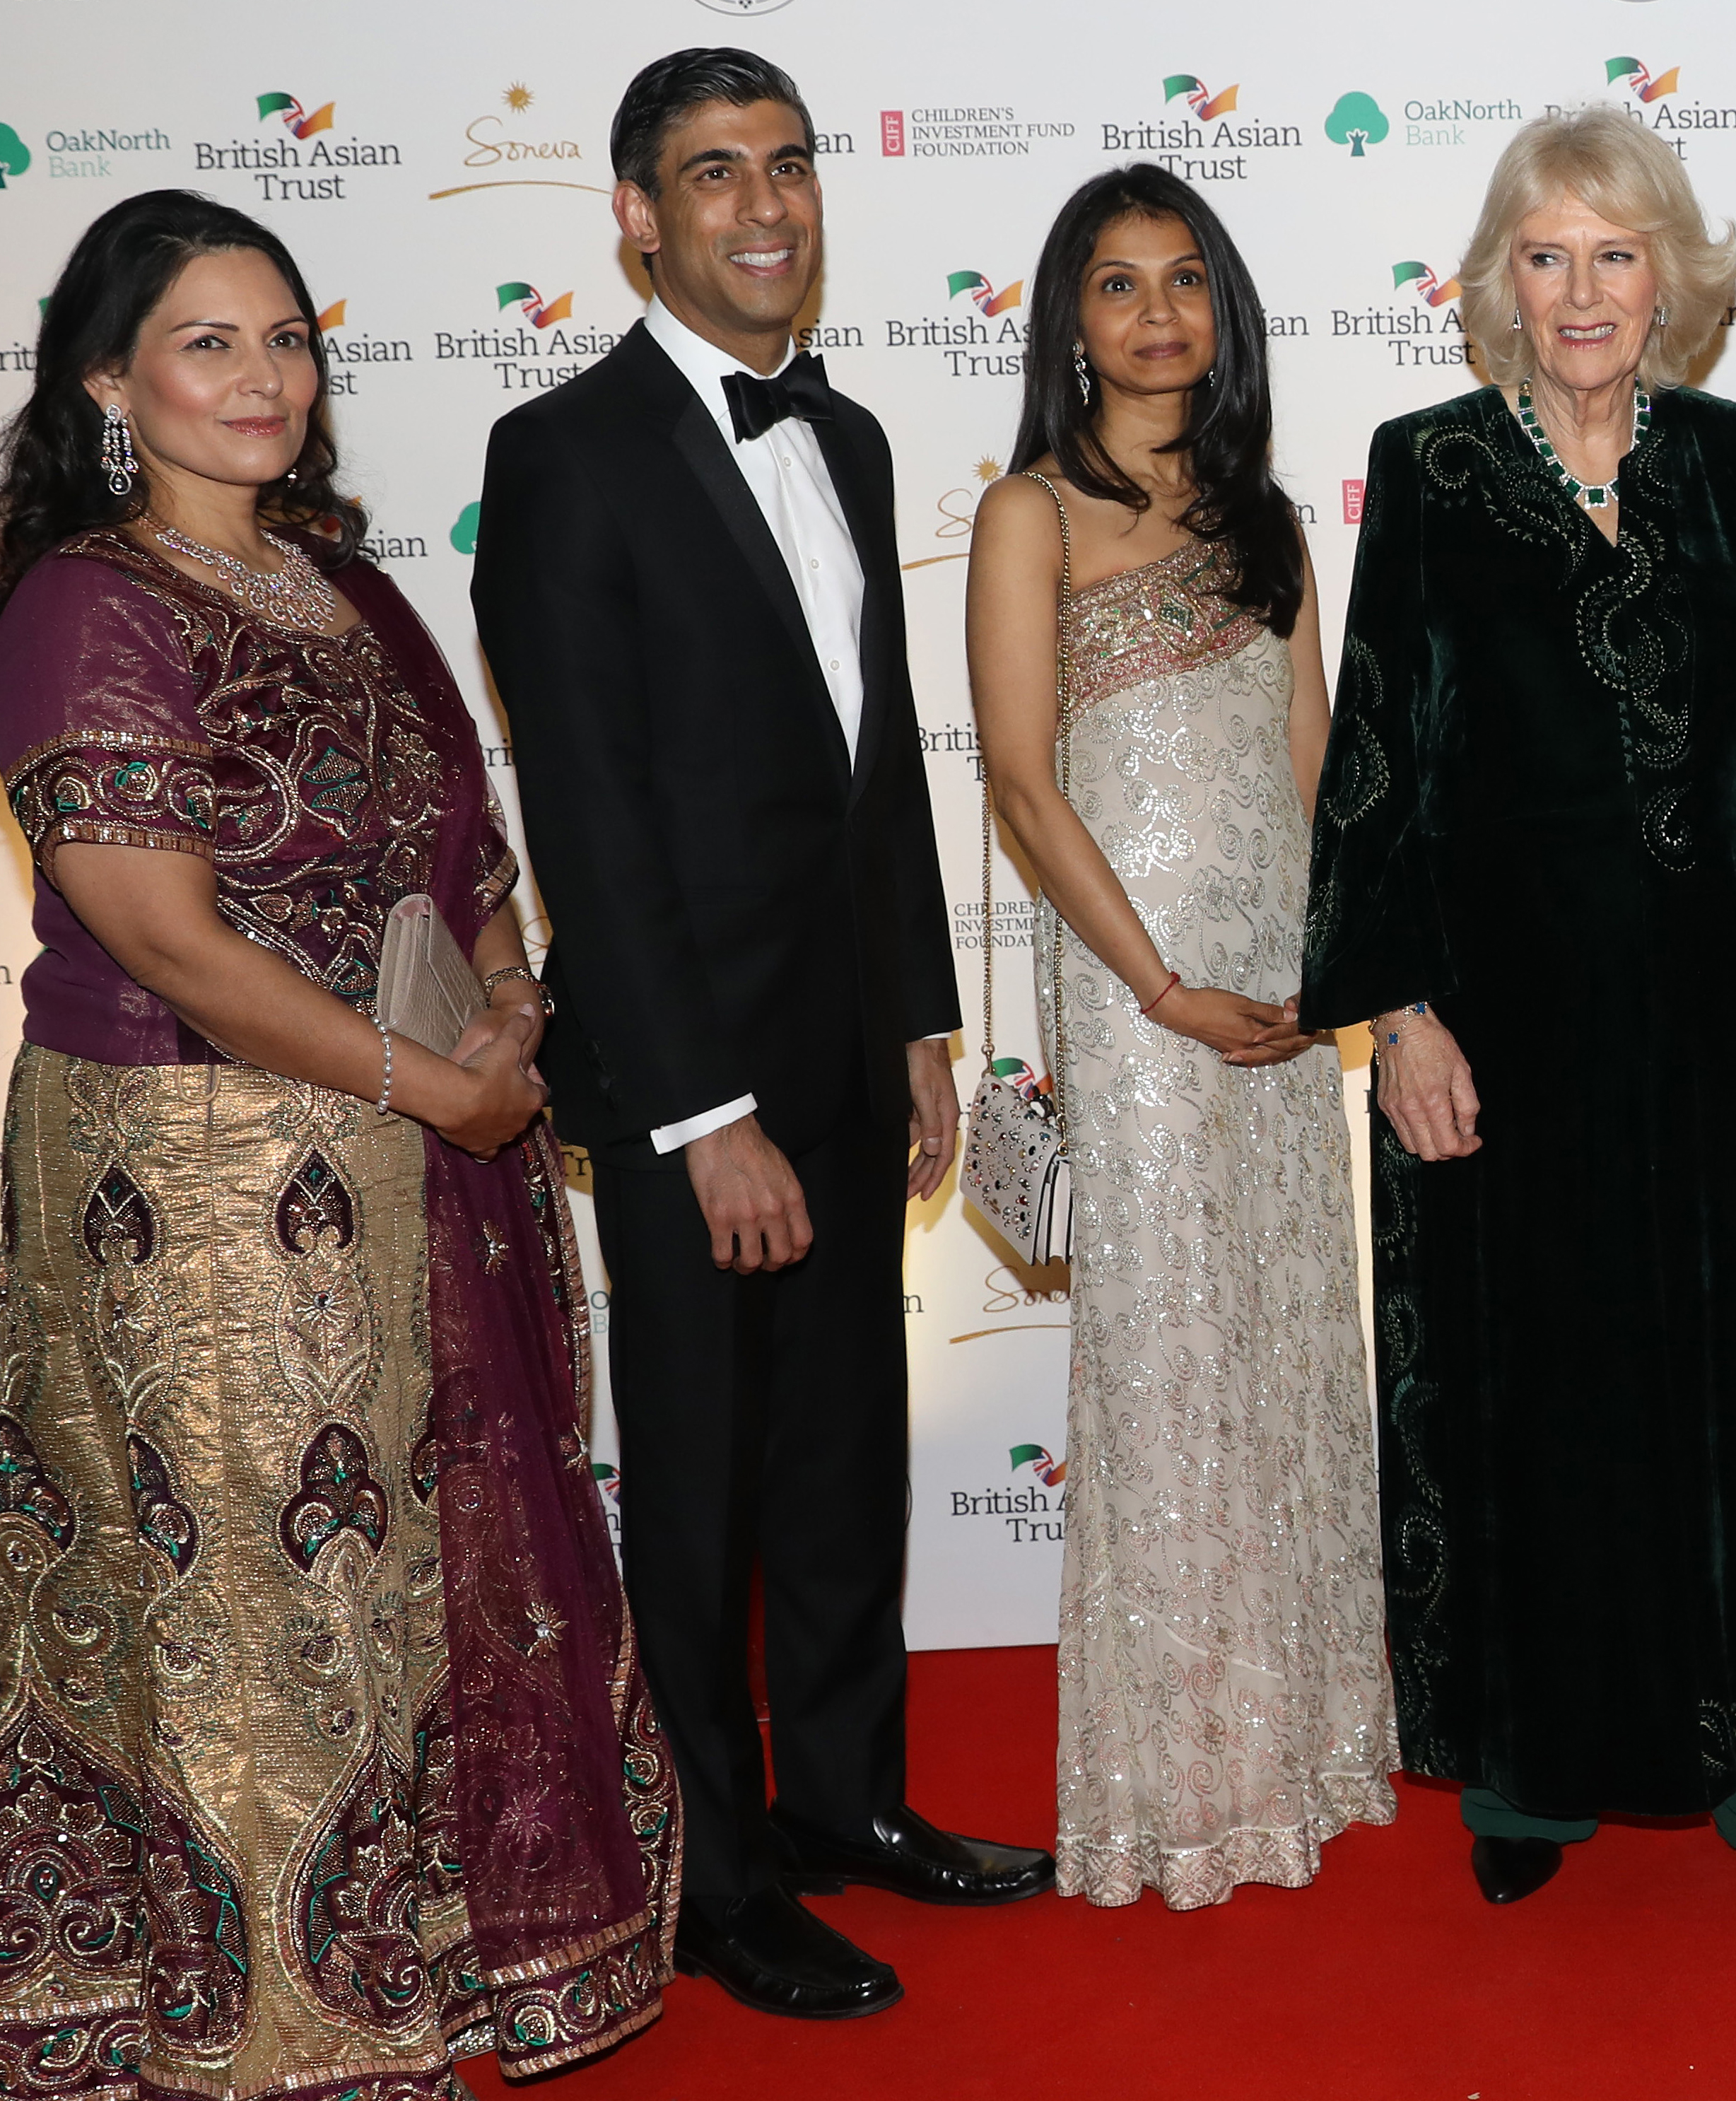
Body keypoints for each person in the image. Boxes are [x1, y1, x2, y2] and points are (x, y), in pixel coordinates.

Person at [0, 190, 677, 2094]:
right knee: (248, 1617)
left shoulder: (356, 586)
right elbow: (163, 934)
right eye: (207, 342)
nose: (260, 377)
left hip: (414, 1159)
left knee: (402, 1592)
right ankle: (278, 2034)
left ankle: (427, 1961)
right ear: (108, 379)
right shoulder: (82, 601)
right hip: (198, 1191)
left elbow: (462, 851)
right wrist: (429, 1079)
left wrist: (508, 1012)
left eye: (286, 338)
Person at [471, 48, 1050, 2020]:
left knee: (839, 1456)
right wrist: (704, 1110)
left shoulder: (860, 436)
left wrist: (915, 1019)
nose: (765, 203)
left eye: (787, 164)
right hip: (681, 1073)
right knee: (706, 1480)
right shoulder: (564, 454)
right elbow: (593, 818)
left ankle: (849, 1806)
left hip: (834, 1038)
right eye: (714, 173)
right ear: (637, 215)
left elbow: (874, 768)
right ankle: (714, 1877)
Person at [1296, 106, 1736, 1921]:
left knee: (1724, 1398)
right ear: (1500, 282)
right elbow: (1376, 762)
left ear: (1669, 275)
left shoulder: (1730, 456)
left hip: (1705, 1022)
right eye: (1544, 256)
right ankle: (1534, 1776)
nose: (1581, 291)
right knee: (1529, 1395)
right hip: (1504, 1034)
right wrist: (1399, 1017)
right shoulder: (1431, 468)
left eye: (1615, 255)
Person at [968, 163, 1395, 1908]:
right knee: (1169, 1364)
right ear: (1072, 317)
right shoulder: (1030, 516)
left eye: (1187, 282)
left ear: (1225, 313)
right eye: (1120, 283)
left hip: (1278, 997)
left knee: (1288, 1341)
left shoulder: (1267, 518)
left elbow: (1315, 761)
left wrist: (1333, 971)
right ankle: (1182, 1775)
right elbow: (1019, 779)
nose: (1158, 314)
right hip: (1139, 999)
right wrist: (1153, 988)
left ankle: (1305, 1739)